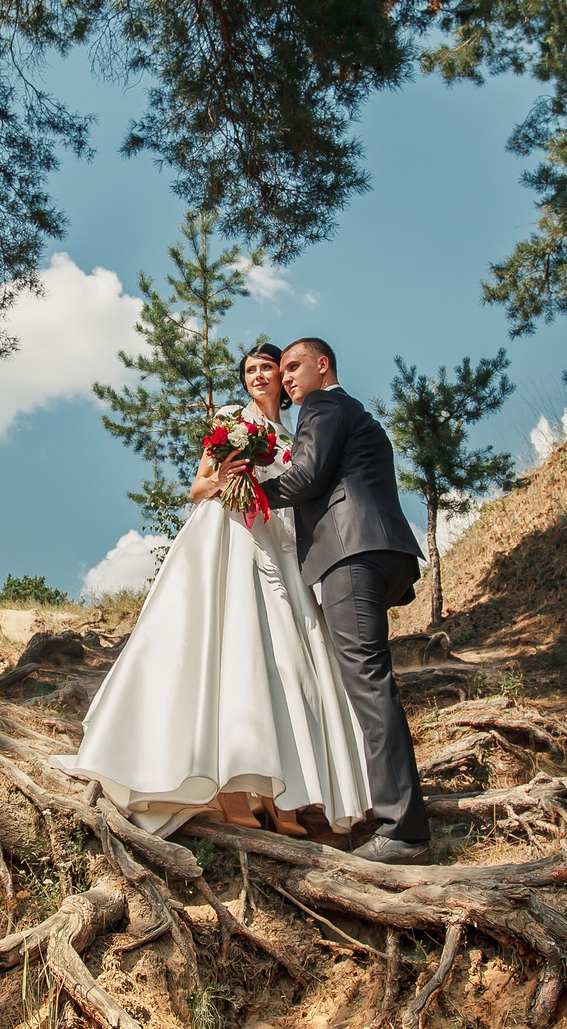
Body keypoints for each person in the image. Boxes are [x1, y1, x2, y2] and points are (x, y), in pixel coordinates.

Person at [66, 344, 374, 838]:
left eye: (266, 369)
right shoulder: (233, 420)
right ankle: (230, 790)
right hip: (231, 538)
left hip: (280, 545)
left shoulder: (295, 435)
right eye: (249, 370)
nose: (258, 376)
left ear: (283, 378)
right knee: (236, 649)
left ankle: (285, 797)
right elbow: (197, 488)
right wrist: (227, 479)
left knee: (287, 660)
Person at [244, 337, 433, 864]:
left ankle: (404, 831)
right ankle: (398, 813)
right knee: (373, 683)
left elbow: (304, 477)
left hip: (351, 555)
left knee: (369, 685)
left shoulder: (323, 405)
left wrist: (246, 488)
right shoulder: (357, 413)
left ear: (322, 365)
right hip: (381, 553)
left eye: (292, 367)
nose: (286, 379)